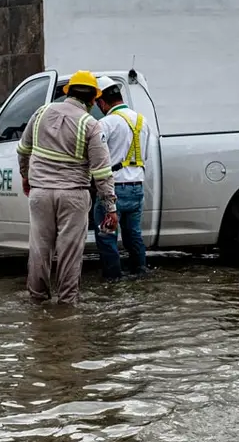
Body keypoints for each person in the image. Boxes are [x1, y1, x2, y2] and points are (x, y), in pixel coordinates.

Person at [17, 70, 119, 305]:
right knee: (69, 253)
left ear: (68, 92)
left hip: (40, 193)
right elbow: (102, 172)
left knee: (40, 249)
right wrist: (110, 207)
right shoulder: (90, 124)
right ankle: (66, 306)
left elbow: (23, 150)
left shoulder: (41, 113)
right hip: (73, 196)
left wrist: (26, 176)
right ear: (93, 99)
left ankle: (37, 302)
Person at [91, 75, 149, 281]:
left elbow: (96, 156)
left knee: (107, 236)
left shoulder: (106, 123)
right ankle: (141, 272)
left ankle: (113, 280)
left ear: (102, 101)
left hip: (113, 189)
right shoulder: (143, 122)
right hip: (137, 187)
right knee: (134, 234)